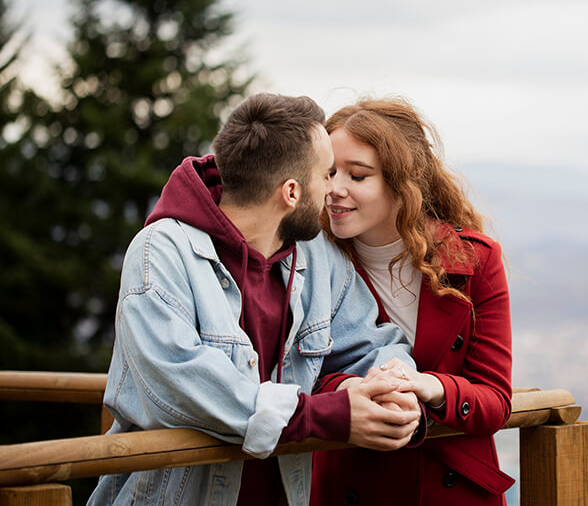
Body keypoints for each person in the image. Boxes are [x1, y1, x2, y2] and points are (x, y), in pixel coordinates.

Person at [88, 93, 423, 506]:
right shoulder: (160, 252)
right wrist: (327, 416)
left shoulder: (318, 257)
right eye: (326, 174)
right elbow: (178, 384)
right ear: (292, 192)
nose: (332, 190)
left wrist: (397, 390)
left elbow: (372, 344)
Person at [310, 98, 514, 505]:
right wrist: (354, 392)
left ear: (402, 184)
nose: (335, 189)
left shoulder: (474, 260)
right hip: (352, 479)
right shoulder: (309, 261)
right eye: (329, 172)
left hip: (451, 489)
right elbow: (297, 376)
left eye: (358, 175)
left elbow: (495, 397)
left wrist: (430, 386)